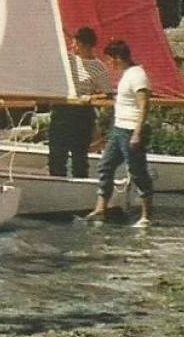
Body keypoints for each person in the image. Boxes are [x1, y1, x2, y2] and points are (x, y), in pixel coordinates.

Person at [85, 39, 155, 227]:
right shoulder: (126, 75)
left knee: (137, 171)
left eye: (109, 60)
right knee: (105, 166)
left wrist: (137, 133)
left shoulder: (137, 75)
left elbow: (144, 104)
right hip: (119, 129)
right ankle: (101, 208)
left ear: (118, 58)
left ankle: (146, 215)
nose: (108, 64)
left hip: (132, 128)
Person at [51, 27, 108, 178]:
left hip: (81, 113)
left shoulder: (98, 67)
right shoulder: (67, 60)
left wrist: (91, 98)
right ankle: (57, 181)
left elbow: (108, 93)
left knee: (79, 155)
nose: (73, 47)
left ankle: (80, 182)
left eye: (76, 44)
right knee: (57, 153)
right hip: (62, 109)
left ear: (86, 45)